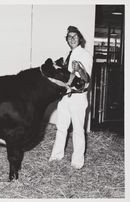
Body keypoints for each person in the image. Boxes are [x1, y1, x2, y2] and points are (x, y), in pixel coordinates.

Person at [49, 26, 93, 169]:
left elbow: (87, 79)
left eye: (75, 36)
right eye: (69, 37)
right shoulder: (70, 54)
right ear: (67, 40)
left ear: (80, 38)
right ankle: (56, 157)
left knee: (78, 130)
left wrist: (80, 69)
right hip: (65, 96)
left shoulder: (85, 55)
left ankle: (77, 163)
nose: (72, 39)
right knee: (61, 128)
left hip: (78, 98)